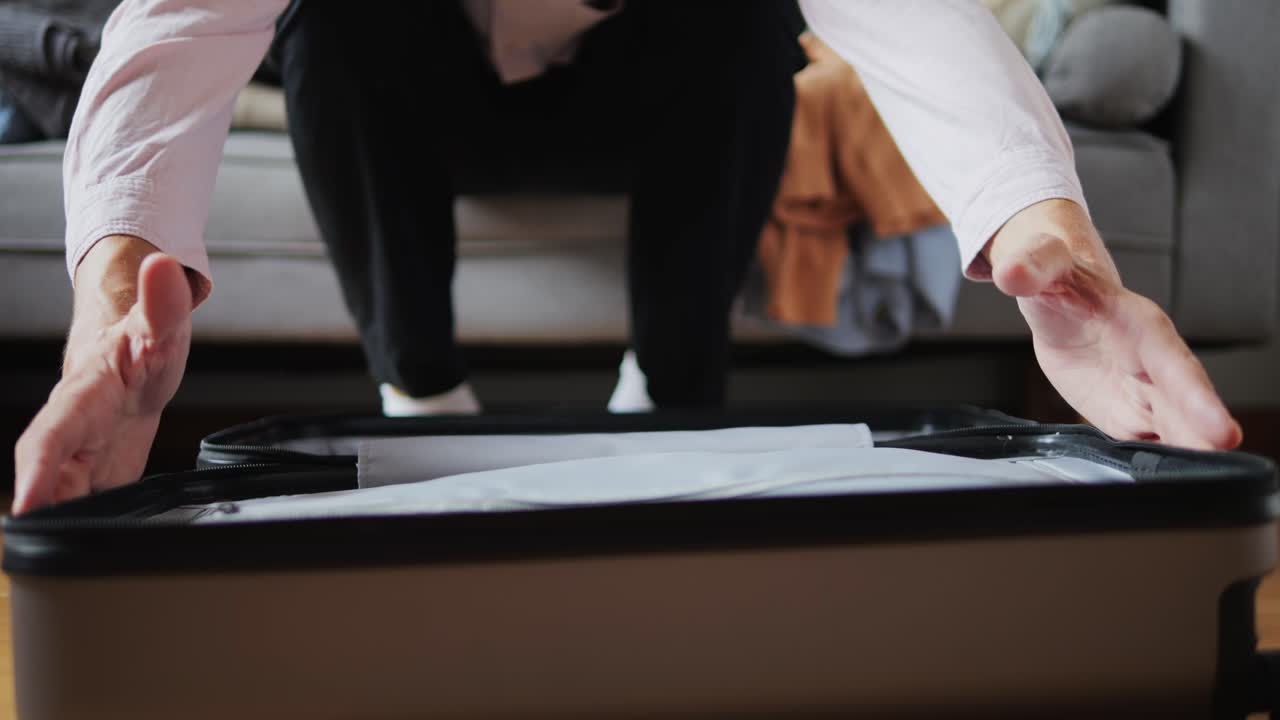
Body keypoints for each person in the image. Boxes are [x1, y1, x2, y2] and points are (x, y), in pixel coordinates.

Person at [12, 0, 1242, 515]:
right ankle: (421, 397)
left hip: (630, 95)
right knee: (340, 17)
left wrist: (1047, 235)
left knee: (742, 13)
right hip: (415, 93)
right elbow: (177, 32)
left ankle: (669, 400)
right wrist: (109, 299)